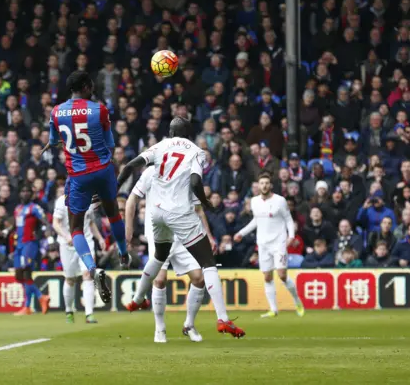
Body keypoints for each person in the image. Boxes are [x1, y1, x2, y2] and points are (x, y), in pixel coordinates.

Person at [116, 117, 245, 338]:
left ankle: (138, 299)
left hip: (156, 213)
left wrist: (114, 188)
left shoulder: (159, 146)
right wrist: (206, 203)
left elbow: (130, 166)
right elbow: (195, 183)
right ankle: (223, 319)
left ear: (170, 131)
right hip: (179, 213)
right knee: (208, 263)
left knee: (159, 256)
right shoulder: (196, 152)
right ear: (189, 134)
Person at [46, 70, 130, 304]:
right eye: (91, 83)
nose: (93, 86)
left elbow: (54, 142)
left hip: (78, 175)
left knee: (75, 228)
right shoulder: (98, 109)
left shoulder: (56, 112)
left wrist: (52, 142)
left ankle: (92, 268)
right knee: (113, 214)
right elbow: (110, 143)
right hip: (103, 170)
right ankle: (123, 254)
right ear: (85, 86)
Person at [126, 165, 213, 343]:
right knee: (159, 279)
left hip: (183, 232)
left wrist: (208, 235)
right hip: (158, 232)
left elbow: (198, 209)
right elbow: (132, 199)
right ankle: (160, 328)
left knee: (199, 278)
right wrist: (128, 231)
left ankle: (189, 325)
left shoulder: (188, 174)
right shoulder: (151, 172)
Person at [234, 172, 305, 318]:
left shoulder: (280, 201)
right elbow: (256, 221)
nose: (264, 185)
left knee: (282, 275)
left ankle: (297, 301)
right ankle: (274, 309)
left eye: (267, 183)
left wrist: (291, 237)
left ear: (270, 185)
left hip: (279, 243)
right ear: (258, 185)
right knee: (267, 277)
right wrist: (241, 233)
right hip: (263, 244)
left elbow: (288, 219)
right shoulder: (254, 201)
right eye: (262, 183)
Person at [53, 193, 105, 324]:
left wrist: (100, 238)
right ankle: (69, 310)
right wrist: (66, 236)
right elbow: (55, 223)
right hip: (67, 245)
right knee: (70, 279)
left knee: (88, 274)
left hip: (86, 242)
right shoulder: (62, 201)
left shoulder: (89, 200)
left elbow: (90, 222)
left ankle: (89, 314)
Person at [13, 185, 51, 316]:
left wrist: (49, 239)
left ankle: (29, 305)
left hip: (30, 244)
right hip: (18, 245)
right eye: (22, 191)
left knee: (26, 273)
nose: (24, 193)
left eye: (27, 191)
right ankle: (40, 298)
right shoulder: (17, 209)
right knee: (19, 275)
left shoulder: (34, 208)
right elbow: (17, 226)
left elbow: (46, 221)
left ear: (31, 194)